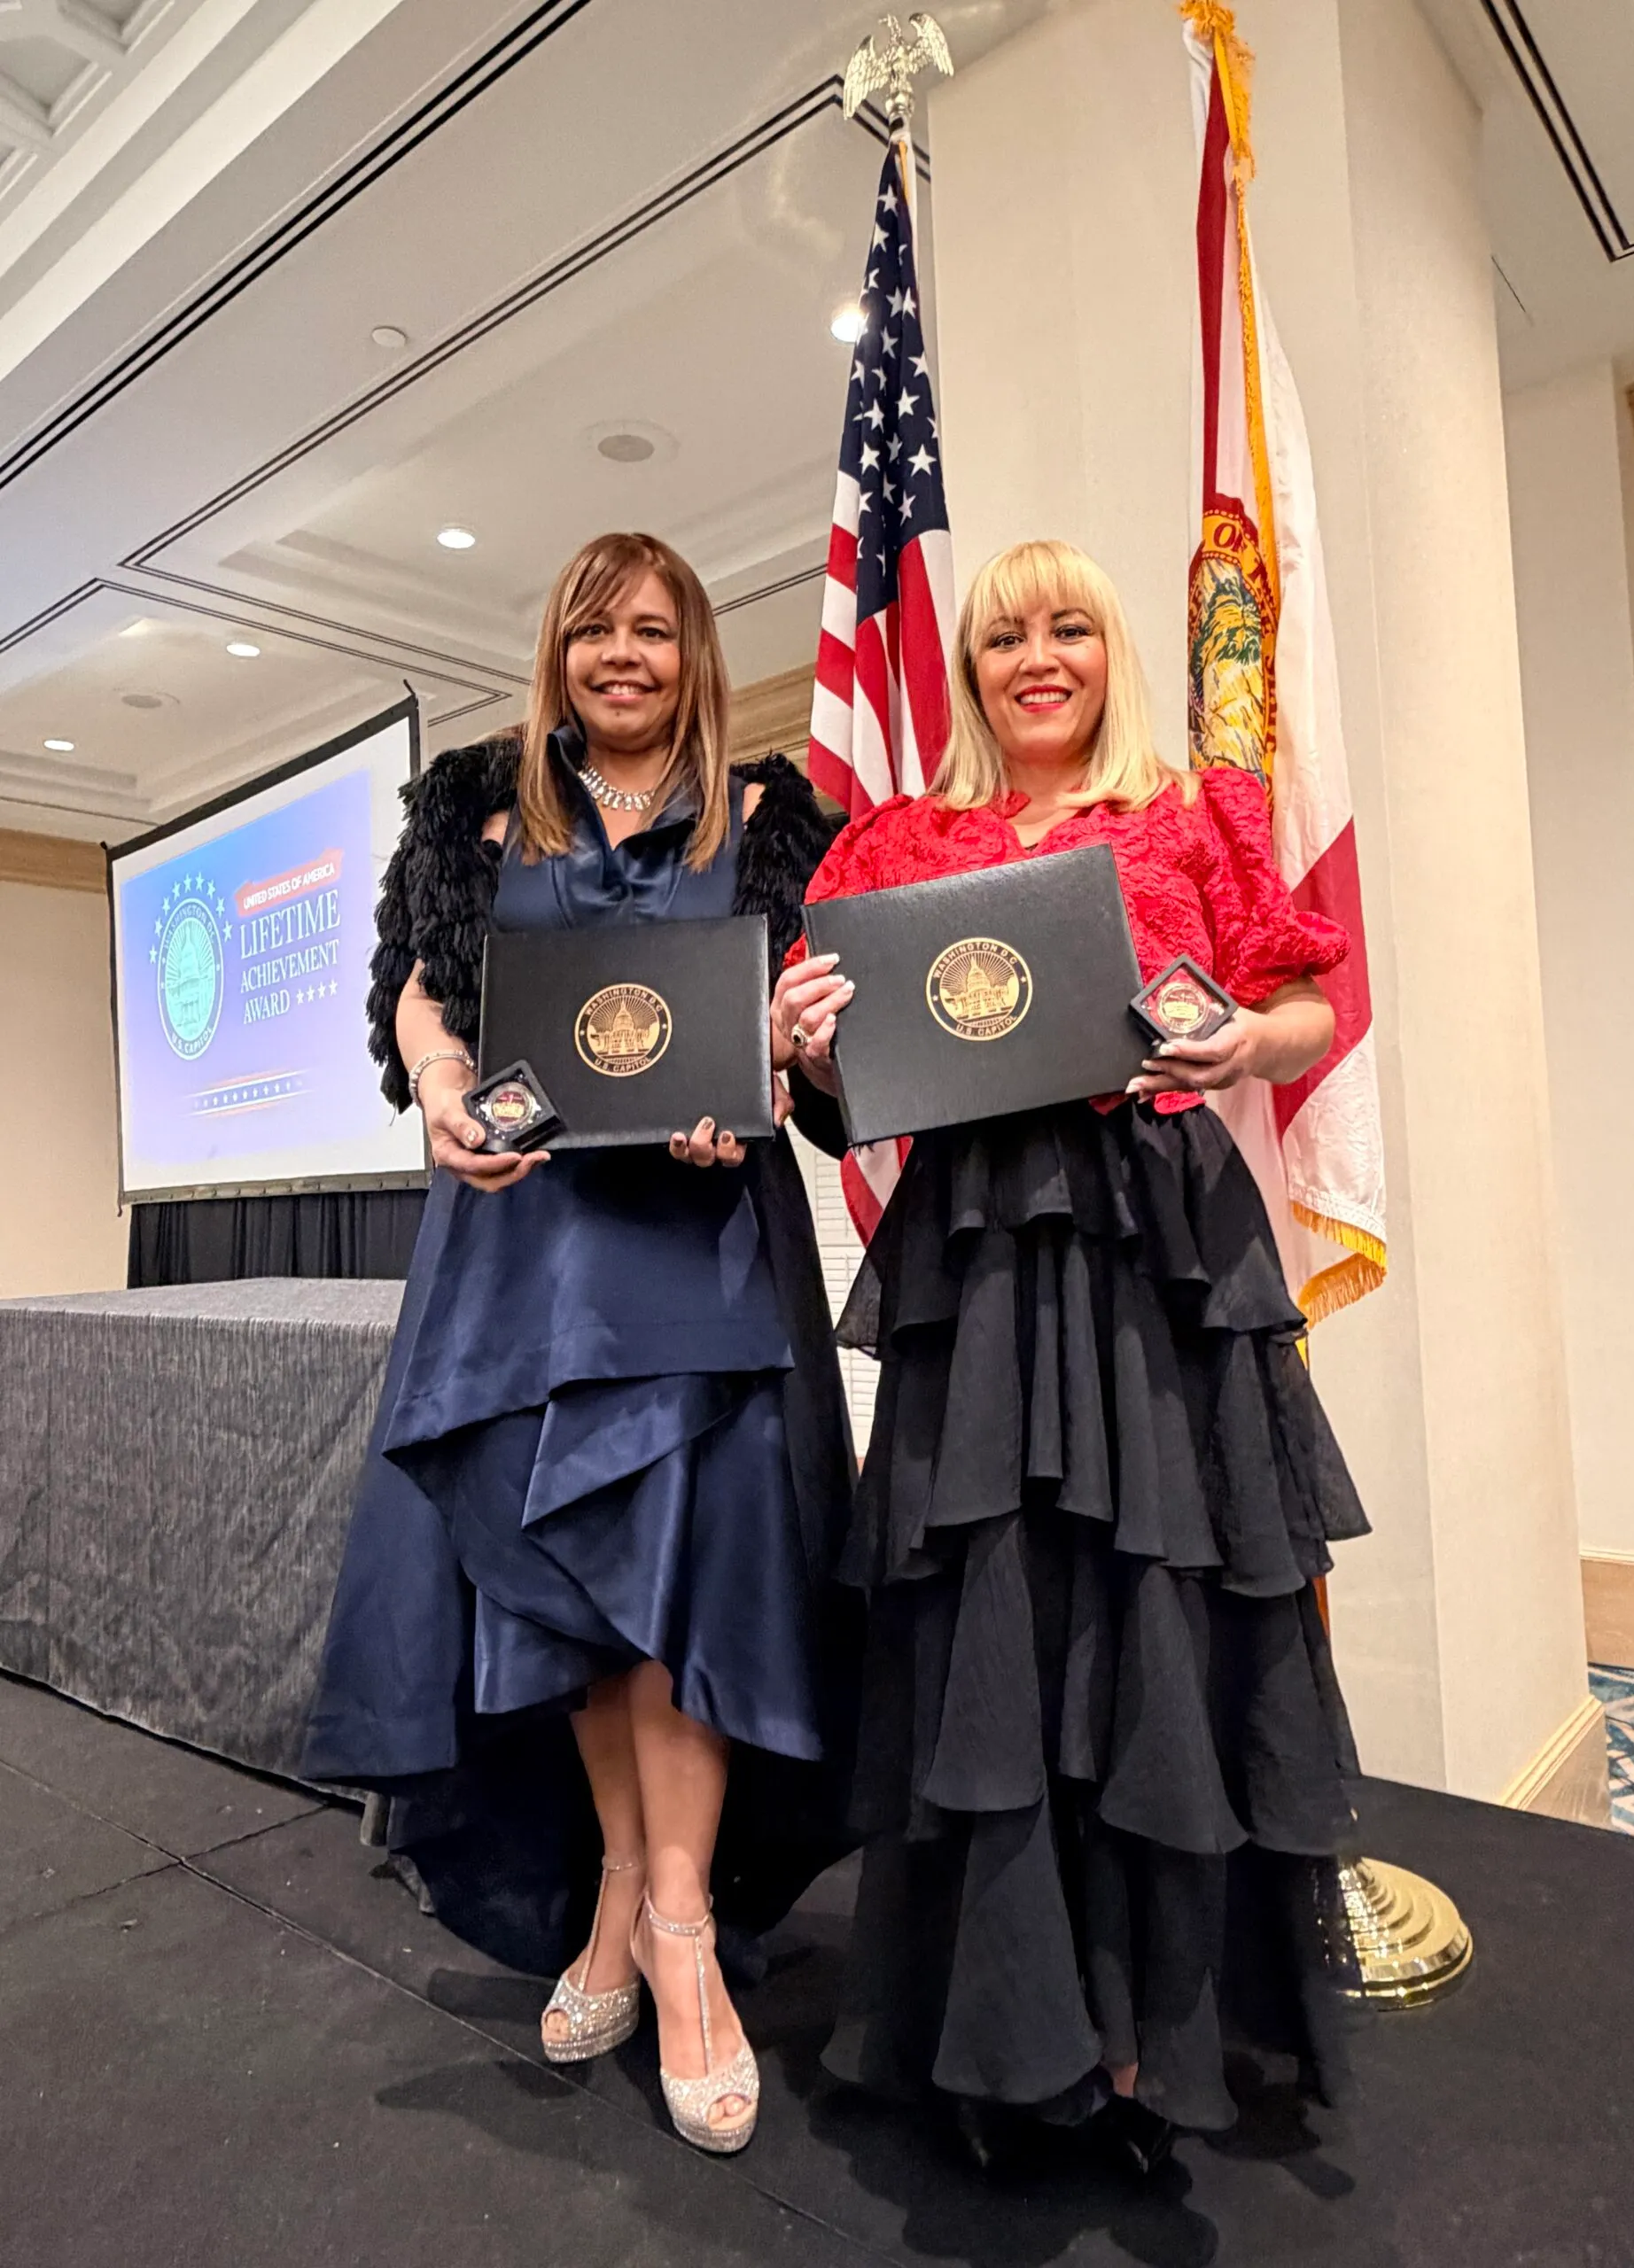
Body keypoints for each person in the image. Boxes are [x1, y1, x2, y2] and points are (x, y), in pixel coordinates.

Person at [775, 539, 1369, 2173]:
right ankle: (1007, 2016)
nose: (1038, 657)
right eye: (1005, 636)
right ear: (969, 667)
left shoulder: (1190, 816)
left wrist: (1250, 1041)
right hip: (978, 1259)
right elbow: (844, 1090)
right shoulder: (897, 846)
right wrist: (806, 1048)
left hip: (1153, 1250)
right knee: (999, 1623)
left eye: (1070, 629)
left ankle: (1156, 2030)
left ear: (1110, 650)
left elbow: (1309, 999)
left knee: (1153, 1618)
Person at [303, 531, 859, 2156]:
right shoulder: (472, 807)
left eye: (658, 631)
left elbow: (811, 1071)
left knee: (680, 1578)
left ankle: (679, 1928)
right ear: (555, 649)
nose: (626, 656)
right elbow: (419, 1003)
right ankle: (621, 1886)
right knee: (572, 1584)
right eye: (596, 630)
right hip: (524, 1257)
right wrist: (438, 1095)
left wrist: (779, 1064)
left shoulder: (770, 823)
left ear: (696, 655)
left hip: (697, 1255)